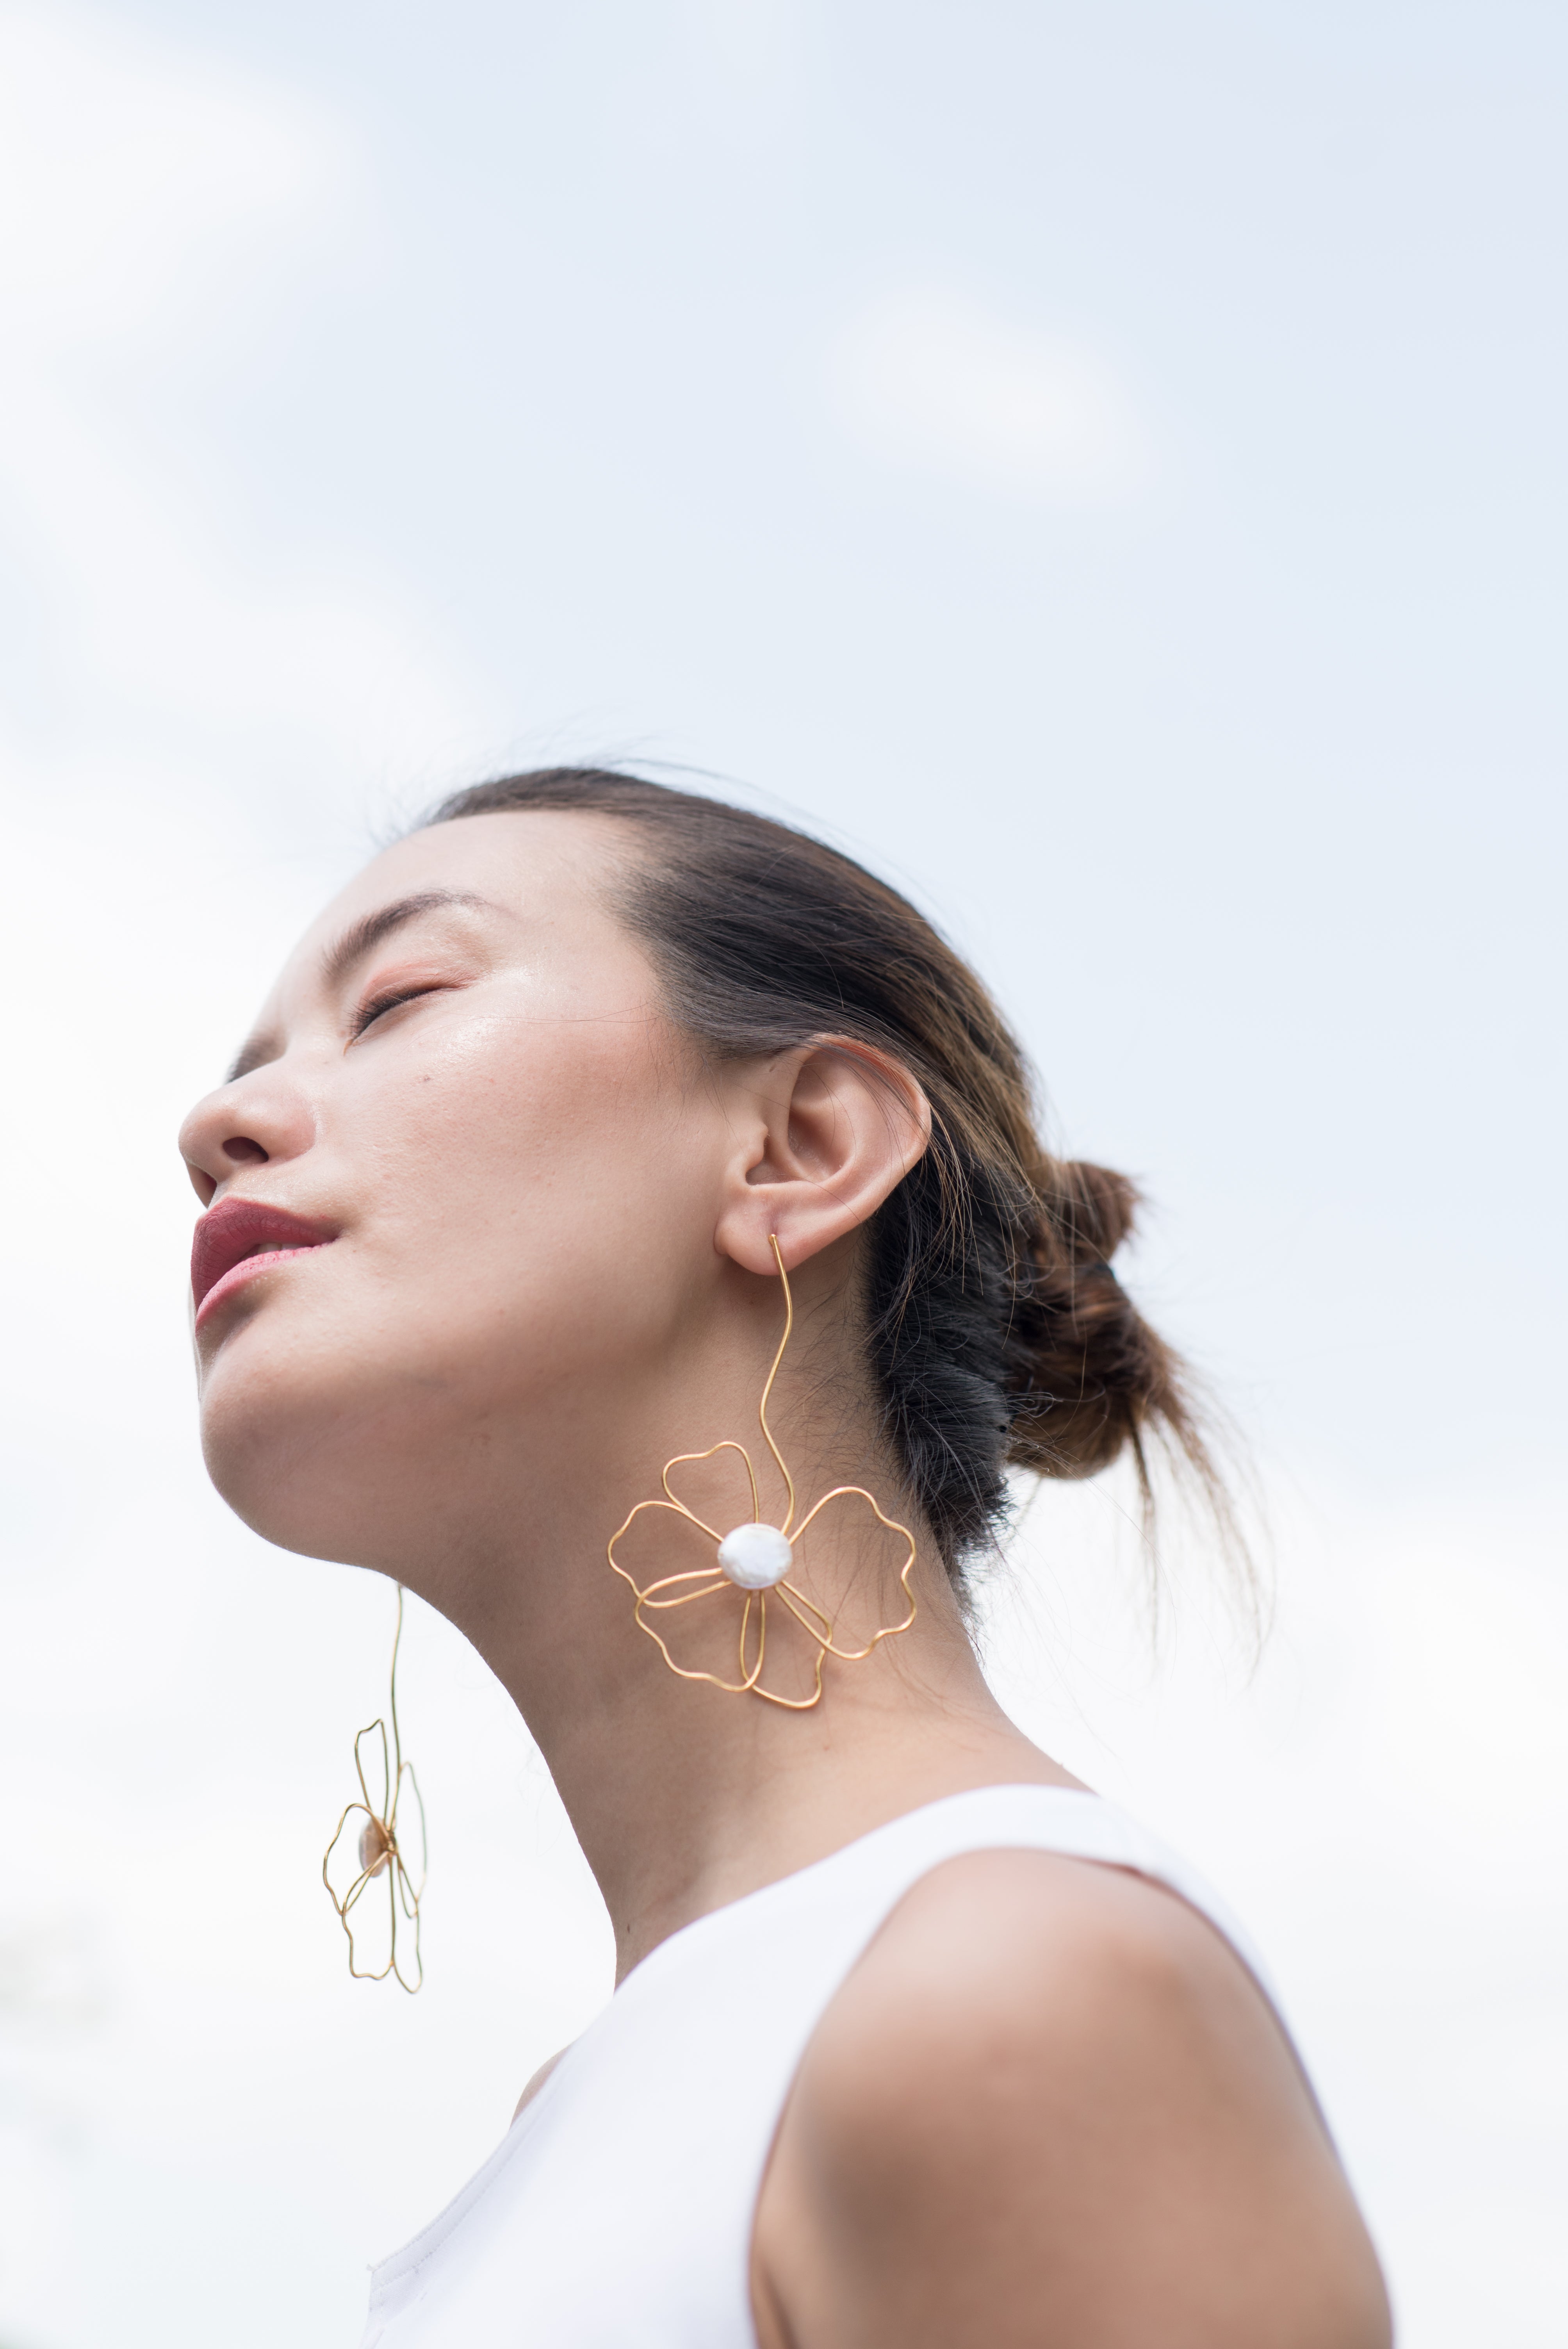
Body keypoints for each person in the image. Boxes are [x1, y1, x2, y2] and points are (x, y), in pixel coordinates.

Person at [178, 769, 1392, 2348]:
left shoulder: (1007, 1998)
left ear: (801, 1147)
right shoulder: (669, 2082)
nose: (215, 1129)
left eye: (400, 999)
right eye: (250, 1069)